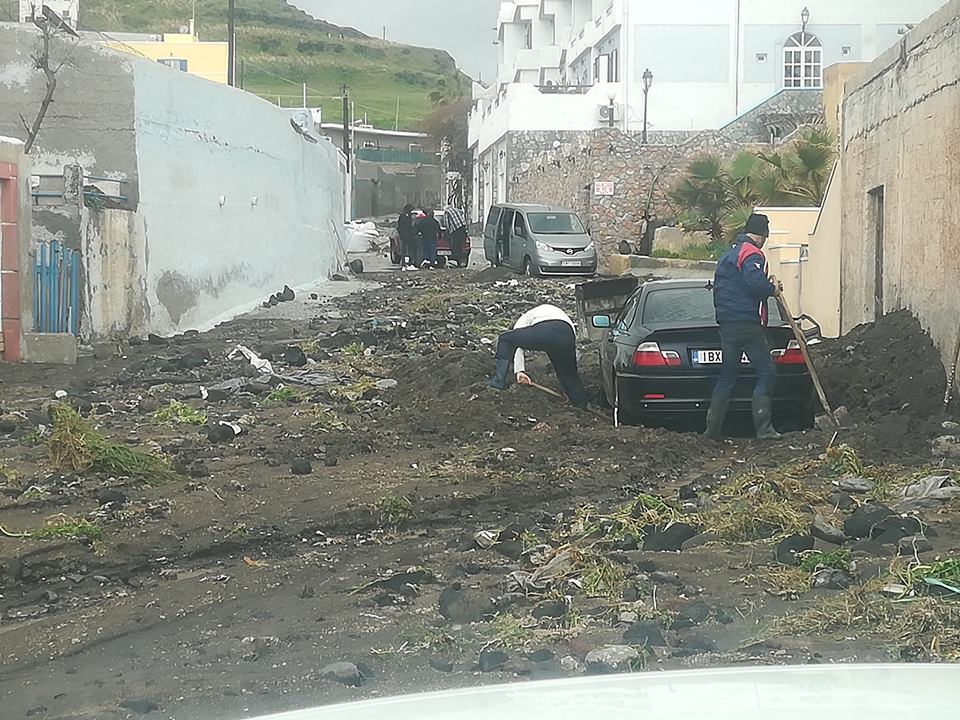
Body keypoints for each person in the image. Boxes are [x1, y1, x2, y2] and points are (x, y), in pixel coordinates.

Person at [704, 213, 784, 441]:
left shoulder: (729, 253)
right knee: (766, 372)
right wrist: (772, 288)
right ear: (762, 235)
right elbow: (754, 284)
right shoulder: (752, 253)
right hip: (746, 322)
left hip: (726, 323)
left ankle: (712, 431)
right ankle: (764, 430)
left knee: (728, 375)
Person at [488, 304, 588, 410]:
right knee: (568, 373)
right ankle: (580, 403)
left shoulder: (523, 319)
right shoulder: (550, 311)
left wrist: (519, 371)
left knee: (505, 339)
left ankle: (497, 384)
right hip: (568, 335)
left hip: (546, 329)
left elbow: (517, 345)